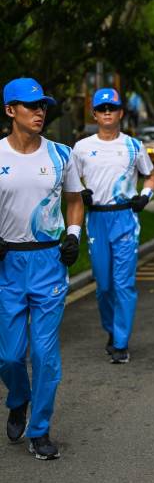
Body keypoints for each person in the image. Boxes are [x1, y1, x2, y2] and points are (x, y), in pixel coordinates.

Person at [0, 77, 84, 460]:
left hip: (50, 261)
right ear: (9, 110)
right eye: (30, 105)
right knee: (10, 356)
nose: (39, 112)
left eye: (42, 106)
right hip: (8, 263)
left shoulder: (62, 155)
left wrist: (73, 235)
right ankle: (18, 399)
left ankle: (40, 429)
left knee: (45, 354)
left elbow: (75, 200)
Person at [71, 88, 154, 364]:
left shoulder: (133, 146)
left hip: (124, 219)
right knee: (104, 284)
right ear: (95, 114)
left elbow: (150, 175)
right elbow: (72, 183)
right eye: (102, 109)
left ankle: (121, 342)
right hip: (96, 219)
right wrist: (80, 192)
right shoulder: (82, 147)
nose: (108, 113)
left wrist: (145, 196)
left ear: (121, 113)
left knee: (123, 283)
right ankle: (111, 330)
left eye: (113, 108)